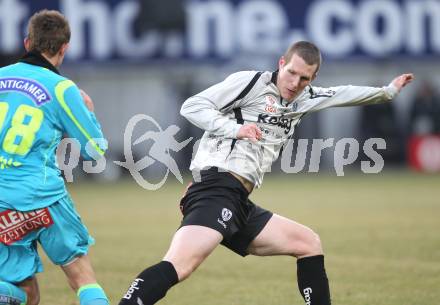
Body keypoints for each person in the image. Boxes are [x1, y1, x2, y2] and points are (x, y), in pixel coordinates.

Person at [119, 41, 414, 305]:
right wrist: (235, 129)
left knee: (308, 243)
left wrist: (388, 92)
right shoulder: (250, 83)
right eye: (292, 73)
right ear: (281, 63)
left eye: (304, 78)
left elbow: (344, 93)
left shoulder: (305, 97)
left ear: (312, 79)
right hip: (217, 189)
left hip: (237, 200)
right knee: (180, 265)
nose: (295, 82)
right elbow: (192, 106)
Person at [0, 10, 109, 305]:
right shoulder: (62, 88)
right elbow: (95, 149)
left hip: (2, 202)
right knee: (81, 277)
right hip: (43, 195)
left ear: (27, 43)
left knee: (24, 293)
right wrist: (88, 110)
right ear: (64, 48)